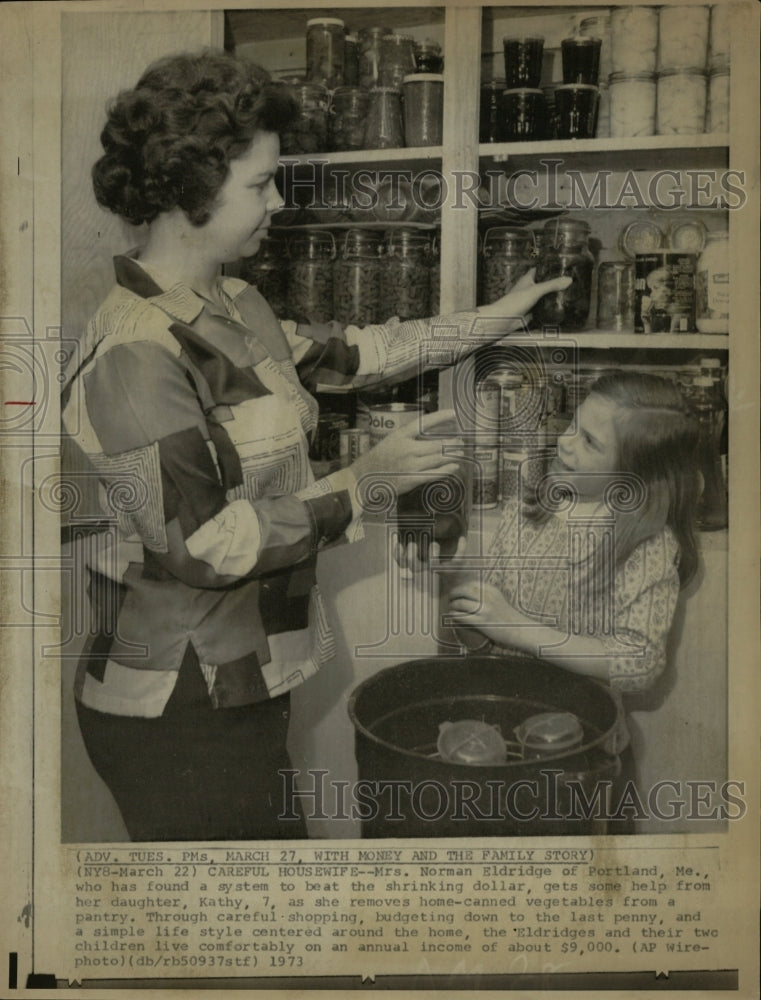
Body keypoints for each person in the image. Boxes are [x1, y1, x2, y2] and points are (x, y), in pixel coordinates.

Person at [61, 49, 570, 841]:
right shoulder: (135, 352)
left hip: (243, 680)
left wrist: (496, 317)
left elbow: (355, 352)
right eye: (260, 184)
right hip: (175, 700)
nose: (277, 204)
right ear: (191, 184)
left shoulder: (230, 301)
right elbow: (201, 548)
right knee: (235, 943)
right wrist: (366, 481)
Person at [447, 370, 700, 777]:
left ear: (632, 475)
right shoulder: (530, 508)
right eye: (573, 425)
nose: (565, 442)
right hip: (502, 729)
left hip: (580, 749)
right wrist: (465, 609)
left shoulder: (646, 545)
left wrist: (518, 631)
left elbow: (641, 662)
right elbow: (490, 612)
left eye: (590, 443)